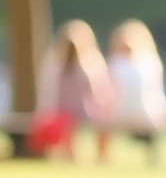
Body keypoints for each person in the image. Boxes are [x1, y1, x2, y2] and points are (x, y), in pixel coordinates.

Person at [36, 20, 115, 161]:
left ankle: (71, 153)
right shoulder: (92, 62)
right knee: (105, 121)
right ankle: (102, 156)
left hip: (62, 111)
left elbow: (47, 92)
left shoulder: (53, 62)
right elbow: (99, 92)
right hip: (82, 112)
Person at [98, 19, 166, 164]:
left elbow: (106, 91)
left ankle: (102, 157)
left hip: (119, 114)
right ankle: (151, 156)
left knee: (103, 123)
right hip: (149, 116)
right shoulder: (152, 62)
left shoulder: (115, 62)